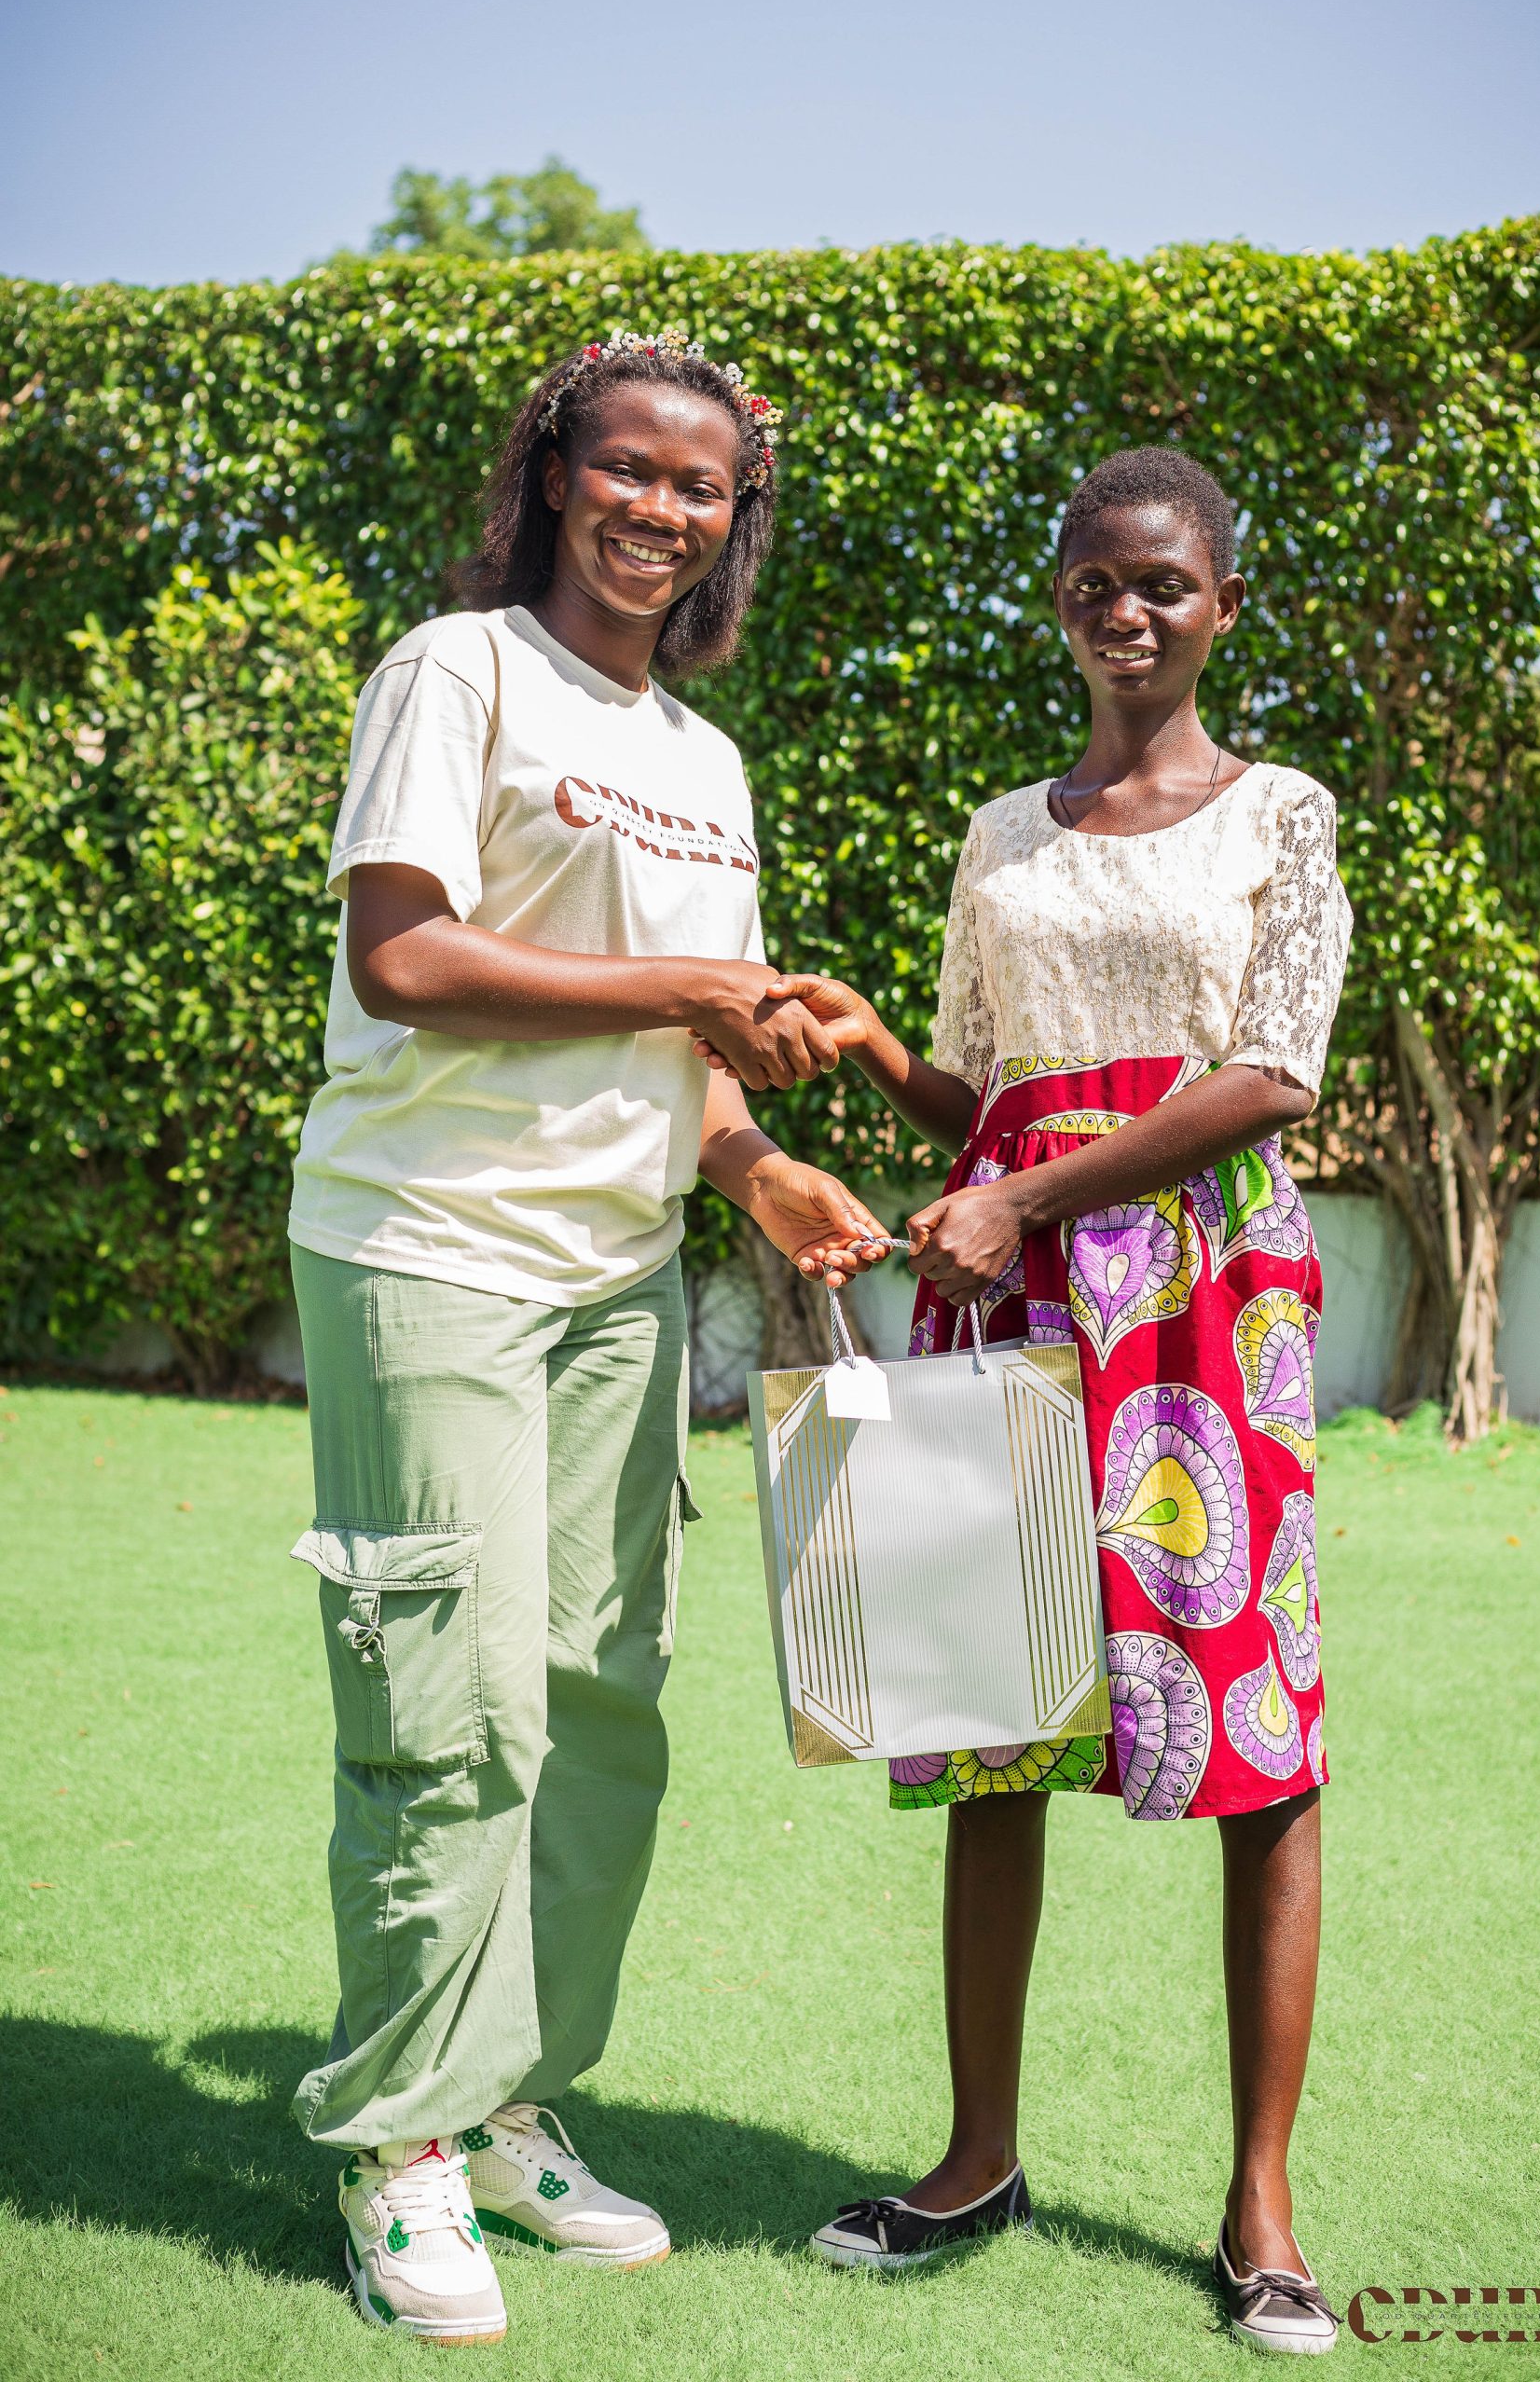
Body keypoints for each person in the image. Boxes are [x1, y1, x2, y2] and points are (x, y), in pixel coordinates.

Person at [286, 325, 879, 2345]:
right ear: (554, 472)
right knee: (448, 1707)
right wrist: (682, 992)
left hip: (620, 1276)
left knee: (602, 1707)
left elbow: (694, 1062)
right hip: (431, 1246)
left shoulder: (706, 762)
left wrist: (761, 1172)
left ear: (733, 518)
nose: (659, 509)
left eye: (701, 486)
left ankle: (507, 2102)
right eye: (627, 468)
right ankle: (397, 2142)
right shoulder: (456, 670)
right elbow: (404, 955)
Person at [738, 447, 1352, 2351]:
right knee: (992, 1707)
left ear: (1223, 604)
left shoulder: (1284, 812)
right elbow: (993, 1094)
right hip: (1010, 1300)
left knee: (1257, 1737)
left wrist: (1028, 1196)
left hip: (1202, 1305)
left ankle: (1260, 2203)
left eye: (1163, 581)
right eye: (1095, 579)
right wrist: (878, 1051)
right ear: (1062, 601)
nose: (1126, 609)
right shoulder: (1004, 830)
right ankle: (976, 2155)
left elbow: (1270, 1075)